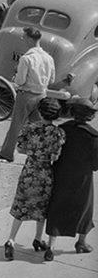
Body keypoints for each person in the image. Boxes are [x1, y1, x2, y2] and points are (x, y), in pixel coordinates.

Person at [3, 98, 65, 260]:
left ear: (39, 111)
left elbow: (20, 149)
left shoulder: (30, 128)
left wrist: (33, 153)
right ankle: (38, 239)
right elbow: (55, 156)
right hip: (45, 173)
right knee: (42, 209)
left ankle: (11, 240)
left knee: (21, 207)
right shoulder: (58, 133)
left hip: (29, 170)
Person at [44, 97, 98, 255]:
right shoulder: (94, 136)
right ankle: (81, 242)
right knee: (85, 209)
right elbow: (96, 165)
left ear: (72, 112)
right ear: (89, 115)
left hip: (60, 173)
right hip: (83, 178)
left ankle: (50, 246)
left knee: (57, 206)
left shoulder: (62, 129)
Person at [0, 26, 55, 161]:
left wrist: (15, 78)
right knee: (39, 126)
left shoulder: (26, 59)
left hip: (26, 95)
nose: (22, 39)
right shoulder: (48, 58)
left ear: (29, 39)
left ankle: (7, 153)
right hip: (42, 95)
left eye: (24, 37)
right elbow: (52, 79)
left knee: (16, 125)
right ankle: (41, 153)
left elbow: (20, 80)